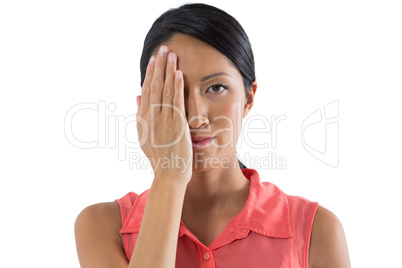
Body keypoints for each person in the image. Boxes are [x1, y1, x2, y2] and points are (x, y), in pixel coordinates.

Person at [74, 3, 350, 267]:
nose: (195, 116)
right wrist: (169, 175)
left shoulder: (316, 231)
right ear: (146, 106)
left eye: (216, 88)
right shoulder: (103, 226)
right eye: (175, 92)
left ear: (249, 98)